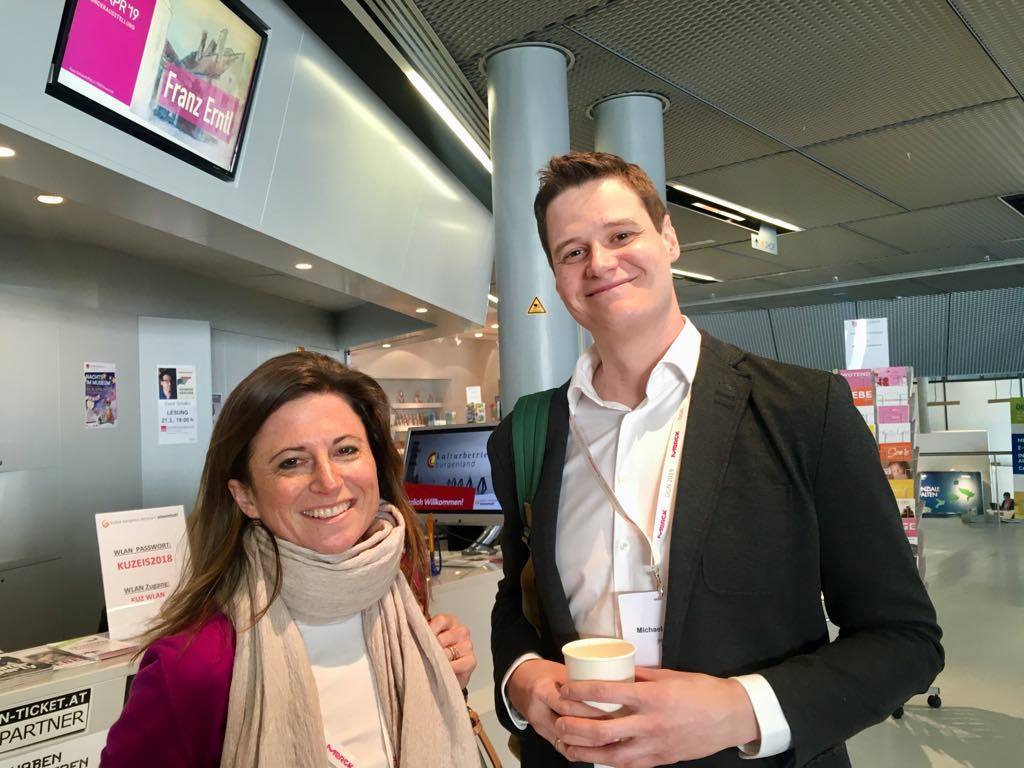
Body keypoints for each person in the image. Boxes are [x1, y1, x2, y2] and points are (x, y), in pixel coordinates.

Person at [487, 152, 943, 768]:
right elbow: (516, 598)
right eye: (573, 251)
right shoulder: (528, 434)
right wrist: (521, 676)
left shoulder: (804, 411)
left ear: (669, 237)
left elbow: (905, 639)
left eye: (620, 235)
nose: (599, 263)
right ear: (556, 274)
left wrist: (740, 710)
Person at [103, 352, 479, 767]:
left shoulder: (400, 595)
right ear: (245, 496)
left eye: (346, 450)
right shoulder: (192, 668)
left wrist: (442, 680)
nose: (328, 481)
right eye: (292, 462)